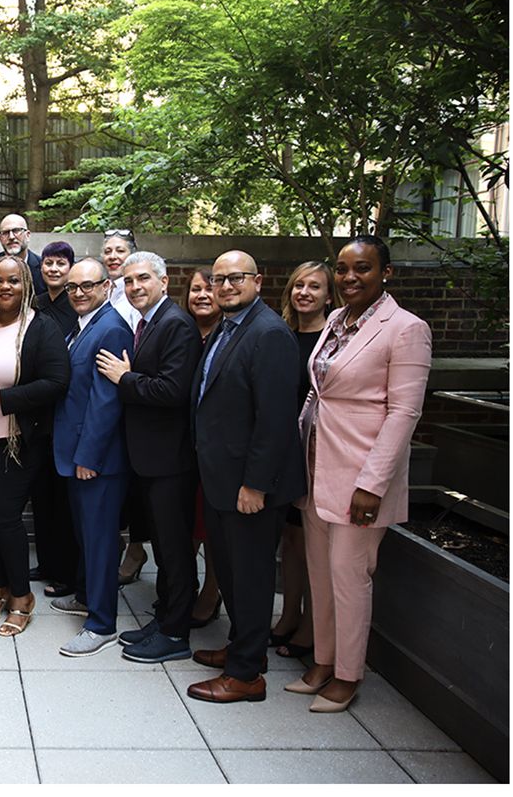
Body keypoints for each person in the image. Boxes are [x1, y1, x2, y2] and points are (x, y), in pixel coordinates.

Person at [288, 235, 431, 712]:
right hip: (315, 466)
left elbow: (404, 413)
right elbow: (318, 390)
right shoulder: (334, 320)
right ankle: (324, 662)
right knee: (320, 572)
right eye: (344, 269)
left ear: (385, 273)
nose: (350, 278)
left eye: (363, 268)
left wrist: (373, 483)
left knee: (350, 576)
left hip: (361, 476)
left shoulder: (406, 329)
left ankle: (349, 675)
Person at [187, 250, 305, 704]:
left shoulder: (270, 333)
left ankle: (246, 676)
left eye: (236, 278)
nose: (226, 286)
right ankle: (245, 651)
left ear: (258, 280)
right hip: (221, 480)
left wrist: (255, 484)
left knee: (252, 580)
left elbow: (275, 420)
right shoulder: (229, 327)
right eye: (218, 280)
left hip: (248, 488)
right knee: (233, 576)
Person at [95, 252, 202, 663]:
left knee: (175, 550)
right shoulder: (148, 322)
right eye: (129, 281)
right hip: (148, 458)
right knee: (163, 547)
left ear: (164, 281)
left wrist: (126, 379)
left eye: (143, 278)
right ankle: (164, 617)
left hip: (170, 460)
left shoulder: (177, 325)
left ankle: (176, 633)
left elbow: (171, 391)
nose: (135, 286)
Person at [0, 255, 70, 636]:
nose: (6, 287)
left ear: (27, 286)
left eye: (15, 281)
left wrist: (1, 400)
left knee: (5, 518)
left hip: (15, 442)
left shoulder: (42, 328)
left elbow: (56, 383)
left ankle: (22, 597)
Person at [51, 258, 134, 657]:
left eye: (88, 285)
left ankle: (101, 624)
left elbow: (106, 402)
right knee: (85, 535)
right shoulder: (84, 326)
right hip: (75, 454)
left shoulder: (111, 328)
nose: (79, 293)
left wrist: (89, 457)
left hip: (96, 460)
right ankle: (86, 595)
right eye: (72, 287)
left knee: (100, 541)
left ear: (106, 287)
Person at [272, 260, 339, 660]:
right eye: (298, 285)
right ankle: (289, 614)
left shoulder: (332, 342)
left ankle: (313, 624)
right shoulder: (282, 335)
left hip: (320, 451)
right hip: (287, 450)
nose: (304, 293)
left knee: (314, 543)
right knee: (290, 540)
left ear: (328, 295)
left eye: (314, 287)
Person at [29, 241, 80, 599]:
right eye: (48, 263)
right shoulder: (36, 303)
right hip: (36, 415)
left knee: (63, 501)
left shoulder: (74, 306)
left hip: (62, 410)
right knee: (41, 494)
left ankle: (64, 570)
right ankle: (46, 562)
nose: (54, 269)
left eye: (61, 264)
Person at [102, 230, 147, 586]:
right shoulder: (106, 292)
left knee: (134, 484)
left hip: (134, 392)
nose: (113, 256)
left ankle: (134, 548)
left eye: (120, 250)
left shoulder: (138, 296)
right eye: (108, 251)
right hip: (112, 393)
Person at [185, 267, 224, 628]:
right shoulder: (183, 333)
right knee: (187, 526)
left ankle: (212, 591)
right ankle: (186, 590)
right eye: (195, 289)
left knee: (210, 528)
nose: (201, 295)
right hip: (183, 450)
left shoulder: (228, 336)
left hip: (215, 453)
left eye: (208, 289)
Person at [0, 213, 45, 293]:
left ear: (28, 235)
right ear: (0, 238)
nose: (11, 237)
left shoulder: (44, 268)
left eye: (16, 231)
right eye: (5, 233)